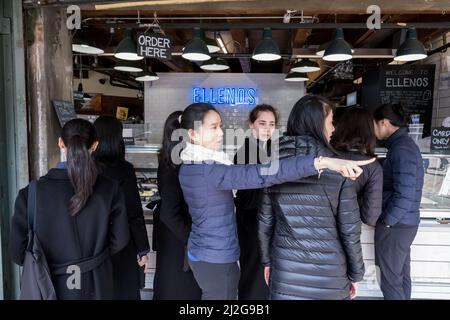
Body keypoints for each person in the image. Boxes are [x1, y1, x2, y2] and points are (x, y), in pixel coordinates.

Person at [176, 102, 373, 300]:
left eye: (220, 126)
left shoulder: (195, 164)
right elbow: (263, 174)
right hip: (214, 258)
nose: (220, 133)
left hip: (210, 252)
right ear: (192, 134)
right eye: (214, 127)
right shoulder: (206, 169)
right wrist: (321, 161)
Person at [258, 95, 365, 300]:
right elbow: (350, 232)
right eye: (331, 121)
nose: (333, 129)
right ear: (317, 124)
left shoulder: (273, 166)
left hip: (285, 269)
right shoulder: (338, 168)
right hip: (330, 275)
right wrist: (356, 274)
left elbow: (265, 223)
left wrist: (267, 262)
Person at [9, 119, 130, 299]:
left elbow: (18, 253)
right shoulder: (110, 189)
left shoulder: (31, 194)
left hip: (47, 285)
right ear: (95, 146)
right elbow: (120, 239)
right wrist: (94, 259)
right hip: (96, 283)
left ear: (60, 143)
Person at [93, 116, 150, 300]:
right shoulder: (124, 170)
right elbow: (134, 213)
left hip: (93, 244)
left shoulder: (86, 169)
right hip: (122, 243)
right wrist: (142, 250)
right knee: (124, 291)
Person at [373, 103, 424, 300]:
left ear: (384, 123)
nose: (373, 130)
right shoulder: (403, 145)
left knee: (390, 282)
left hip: (397, 225)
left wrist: (387, 222)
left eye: (374, 124)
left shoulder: (402, 148)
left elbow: (405, 193)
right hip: (404, 223)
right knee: (400, 278)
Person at [153, 111, 202, 300]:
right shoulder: (174, 164)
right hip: (178, 236)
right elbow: (169, 212)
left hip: (174, 234)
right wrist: (191, 238)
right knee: (179, 286)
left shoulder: (173, 160)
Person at [233, 104, 277, 300]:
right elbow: (247, 198)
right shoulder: (245, 152)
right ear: (251, 125)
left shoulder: (274, 150)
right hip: (252, 222)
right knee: (253, 273)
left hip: (267, 222)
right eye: (262, 123)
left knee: (266, 277)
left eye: (272, 124)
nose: (267, 128)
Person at [331, 107, 383, 226]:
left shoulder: (325, 158)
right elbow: (370, 217)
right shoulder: (373, 167)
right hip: (350, 230)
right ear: (370, 131)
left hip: (318, 228)